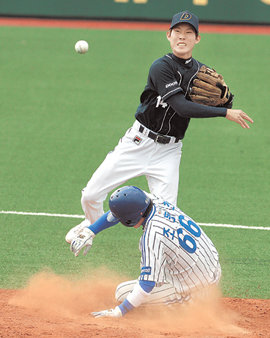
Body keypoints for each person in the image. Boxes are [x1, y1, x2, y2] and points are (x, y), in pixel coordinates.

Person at [65, 10, 253, 244]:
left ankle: (156, 274)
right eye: (177, 32)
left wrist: (226, 99)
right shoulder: (160, 67)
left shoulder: (201, 73)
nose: (182, 37)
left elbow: (222, 98)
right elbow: (181, 107)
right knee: (91, 195)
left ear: (197, 39)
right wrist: (224, 112)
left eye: (188, 33)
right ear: (168, 35)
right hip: (137, 143)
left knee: (165, 218)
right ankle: (90, 226)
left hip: (168, 153)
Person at [70, 186, 222, 318]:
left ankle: (185, 309)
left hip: (195, 293)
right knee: (167, 257)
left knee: (122, 293)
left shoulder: (152, 235)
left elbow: (146, 285)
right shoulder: (154, 200)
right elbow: (122, 211)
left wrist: (119, 312)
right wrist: (90, 231)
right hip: (211, 269)